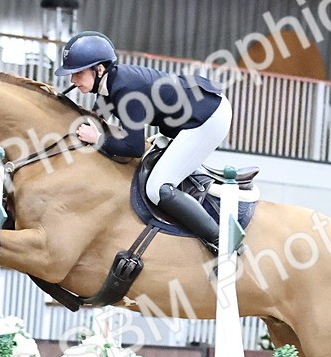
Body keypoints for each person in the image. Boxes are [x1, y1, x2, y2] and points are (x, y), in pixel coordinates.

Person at [55, 31, 232, 250]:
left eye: (78, 73)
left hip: (207, 117)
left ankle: (223, 240)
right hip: (189, 113)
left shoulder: (125, 89)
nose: (72, 80)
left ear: (99, 69)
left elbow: (133, 147)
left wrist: (98, 139)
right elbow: (96, 119)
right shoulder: (108, 86)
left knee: (158, 189)